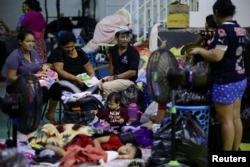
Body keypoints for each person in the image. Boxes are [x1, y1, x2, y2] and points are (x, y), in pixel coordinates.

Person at [190, 0, 247, 151]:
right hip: (240, 78)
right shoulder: (239, 29)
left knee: (226, 120)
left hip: (225, 81)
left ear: (216, 13)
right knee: (235, 117)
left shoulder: (222, 30)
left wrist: (199, 51)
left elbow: (216, 56)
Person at [46, 31, 96, 124]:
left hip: (80, 79)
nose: (70, 49)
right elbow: (60, 71)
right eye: (67, 47)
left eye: (72, 46)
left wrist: (91, 74)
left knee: (95, 87)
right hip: (64, 80)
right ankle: (72, 114)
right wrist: (75, 79)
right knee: (73, 90)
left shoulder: (79, 51)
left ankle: (88, 114)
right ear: (61, 45)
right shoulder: (58, 53)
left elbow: (88, 65)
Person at [5, 29, 49, 104]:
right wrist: (30, 78)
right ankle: (29, 113)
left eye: (33, 41)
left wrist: (44, 68)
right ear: (20, 42)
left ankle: (38, 113)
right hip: (16, 85)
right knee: (37, 94)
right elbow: (11, 77)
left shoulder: (34, 53)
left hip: (33, 82)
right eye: (28, 41)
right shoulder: (14, 56)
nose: (31, 44)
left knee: (53, 89)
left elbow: (38, 67)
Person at [98, 26, 140, 95]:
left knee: (106, 86)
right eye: (122, 37)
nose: (125, 39)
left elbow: (132, 72)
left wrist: (114, 77)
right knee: (100, 83)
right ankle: (105, 102)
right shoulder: (114, 49)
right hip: (116, 78)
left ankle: (114, 104)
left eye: (127, 37)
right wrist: (110, 77)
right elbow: (112, 65)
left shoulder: (133, 52)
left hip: (128, 81)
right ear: (116, 38)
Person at [47, 133, 142, 159]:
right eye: (127, 150)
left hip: (85, 149)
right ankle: (48, 146)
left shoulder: (114, 155)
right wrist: (99, 150)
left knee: (73, 156)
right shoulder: (116, 140)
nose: (124, 152)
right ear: (128, 144)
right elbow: (97, 140)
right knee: (66, 154)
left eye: (126, 154)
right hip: (83, 141)